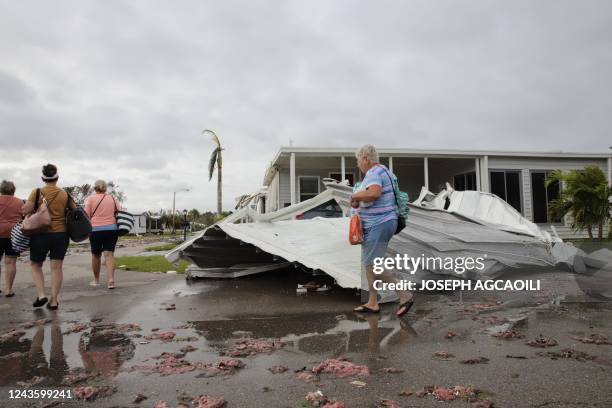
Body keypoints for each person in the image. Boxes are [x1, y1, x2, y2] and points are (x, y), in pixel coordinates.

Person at [351, 144, 414, 316]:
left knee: (373, 265)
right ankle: (372, 302)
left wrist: (355, 196)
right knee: (369, 264)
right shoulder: (386, 172)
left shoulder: (374, 173)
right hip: (381, 222)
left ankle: (405, 295)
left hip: (378, 223)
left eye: (358, 160)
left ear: (365, 158)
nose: (358, 165)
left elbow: (373, 193)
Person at [22, 164, 75, 310]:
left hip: (40, 234)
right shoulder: (64, 193)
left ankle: (41, 294)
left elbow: (25, 209)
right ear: (57, 178)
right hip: (61, 234)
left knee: (36, 264)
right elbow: (75, 209)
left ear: (42, 178)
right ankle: (53, 301)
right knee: (56, 267)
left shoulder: (37, 192)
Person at [84, 180, 121, 289]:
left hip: (95, 230)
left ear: (95, 188)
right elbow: (119, 211)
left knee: (96, 255)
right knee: (109, 255)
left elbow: (86, 215)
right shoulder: (112, 198)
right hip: (111, 229)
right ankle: (111, 281)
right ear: (105, 188)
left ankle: (96, 280)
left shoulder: (90, 199)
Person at [0, 180, 23, 297]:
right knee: (10, 262)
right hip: (13, 235)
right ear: (13, 190)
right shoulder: (19, 202)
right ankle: (8, 290)